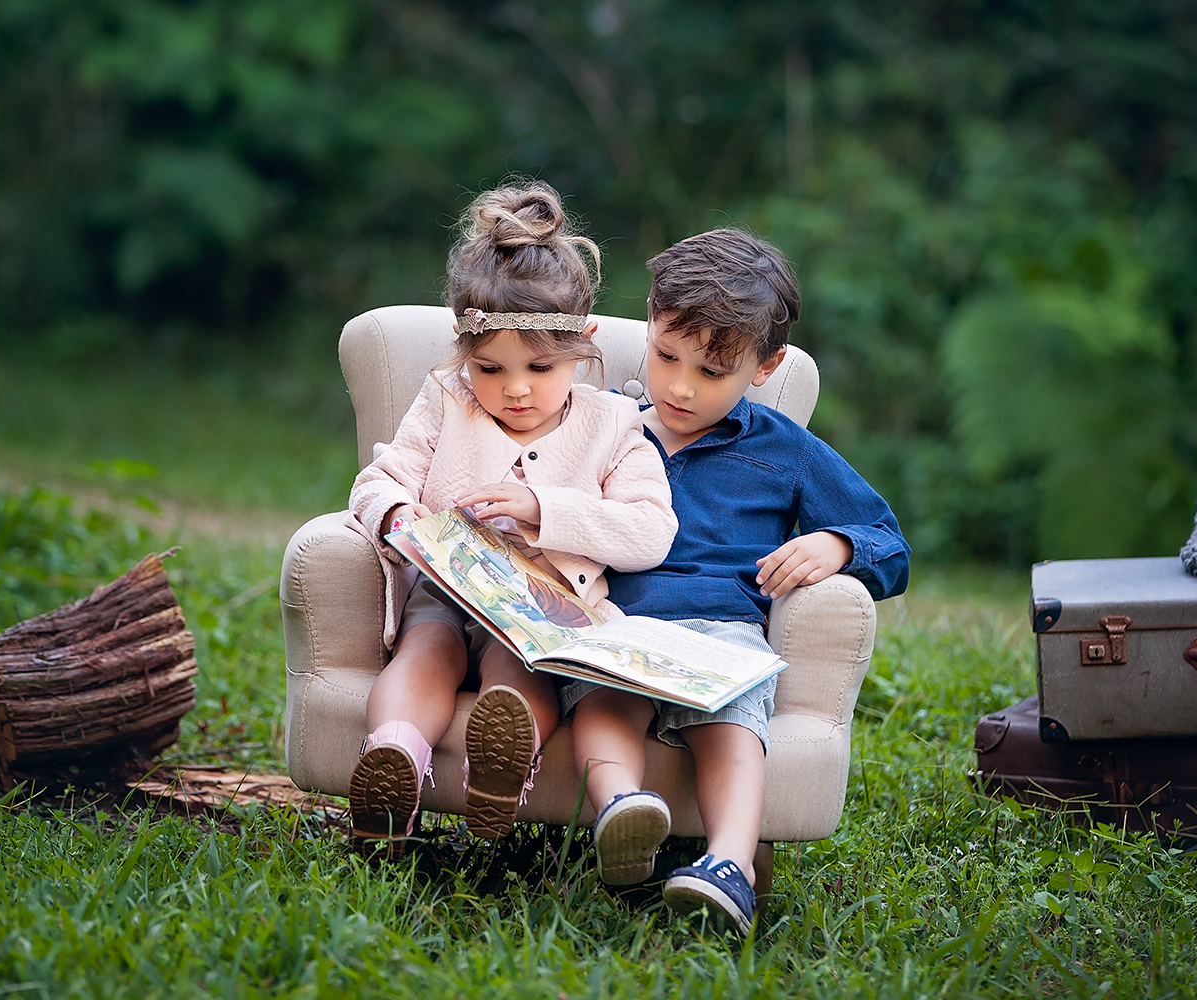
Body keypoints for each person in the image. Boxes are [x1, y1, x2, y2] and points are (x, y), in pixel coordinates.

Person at [561, 228, 910, 934]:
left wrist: (838, 543)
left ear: (764, 365)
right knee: (600, 704)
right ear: (651, 327)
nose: (680, 386)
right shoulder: (606, 426)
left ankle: (729, 864)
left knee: (732, 727)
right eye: (666, 356)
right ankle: (622, 814)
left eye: (711, 372)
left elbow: (889, 541)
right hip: (615, 629)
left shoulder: (783, 449)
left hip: (720, 634)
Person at [346, 182, 677, 859]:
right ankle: (394, 760)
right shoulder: (448, 399)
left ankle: (502, 764)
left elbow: (651, 530)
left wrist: (545, 509)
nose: (515, 388)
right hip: (447, 590)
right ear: (463, 351)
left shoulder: (613, 424)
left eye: (539, 367)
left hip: (540, 616)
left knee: (518, 671)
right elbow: (378, 480)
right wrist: (399, 514)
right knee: (425, 652)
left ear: (583, 345)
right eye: (490, 367)